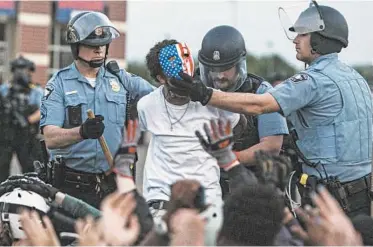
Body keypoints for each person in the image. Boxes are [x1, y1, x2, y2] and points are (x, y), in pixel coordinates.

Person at [169, 3, 372, 217]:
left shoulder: (313, 82)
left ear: (319, 40)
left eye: (302, 35)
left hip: (331, 197)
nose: (295, 40)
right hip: (361, 194)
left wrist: (206, 95)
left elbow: (260, 105)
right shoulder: (355, 78)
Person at [40, 11, 154, 208]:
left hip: (115, 185)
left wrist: (182, 85)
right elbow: (50, 138)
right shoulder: (58, 84)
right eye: (92, 45)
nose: (99, 50)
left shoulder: (120, 79)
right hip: (73, 188)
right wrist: (82, 132)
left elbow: (157, 98)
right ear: (76, 47)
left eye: (103, 45)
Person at [138, 39, 241, 220]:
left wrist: (220, 147)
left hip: (206, 201)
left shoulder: (213, 100)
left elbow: (240, 123)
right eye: (177, 81)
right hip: (161, 201)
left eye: (188, 78)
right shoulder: (147, 106)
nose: (184, 86)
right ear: (161, 79)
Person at [196, 25, 289, 196]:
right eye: (213, 69)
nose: (219, 76)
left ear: (239, 65)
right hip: (206, 188)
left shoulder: (262, 92)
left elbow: (272, 146)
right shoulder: (195, 91)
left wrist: (227, 159)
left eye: (225, 69)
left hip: (250, 188)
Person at [0, 56, 43, 182]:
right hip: (6, 135)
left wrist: (28, 120)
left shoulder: (36, 91)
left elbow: (43, 110)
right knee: (2, 168)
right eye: (17, 69)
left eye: (24, 69)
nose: (20, 73)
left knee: (30, 170)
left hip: (26, 135)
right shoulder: (4, 90)